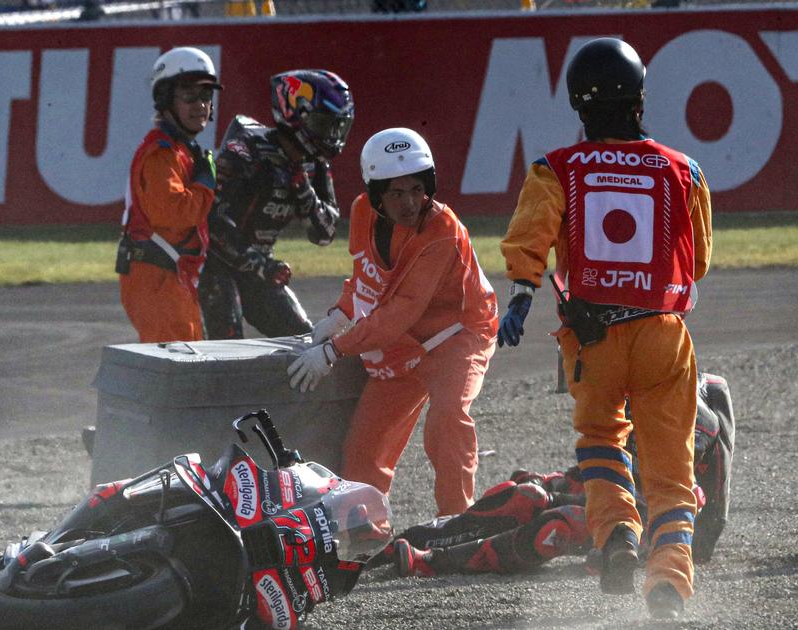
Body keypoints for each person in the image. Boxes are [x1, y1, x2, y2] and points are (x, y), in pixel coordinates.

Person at [496, 37, 713, 619]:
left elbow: (530, 238)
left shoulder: (556, 168)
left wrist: (521, 295)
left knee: (600, 442)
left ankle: (616, 530)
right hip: (663, 335)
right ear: (640, 98)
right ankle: (668, 580)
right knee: (672, 471)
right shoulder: (684, 170)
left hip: (591, 336)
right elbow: (699, 262)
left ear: (577, 105)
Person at [286, 128, 498, 517]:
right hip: (404, 340)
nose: (409, 202)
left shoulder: (442, 232)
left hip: (459, 335)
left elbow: (401, 311)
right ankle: (366, 535)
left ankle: (455, 523)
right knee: (365, 449)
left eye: (417, 189)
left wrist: (334, 349)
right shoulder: (363, 212)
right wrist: (340, 313)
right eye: (396, 192)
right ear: (376, 192)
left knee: (447, 421)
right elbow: (365, 277)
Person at [386, 371, 735, 579]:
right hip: (617, 491)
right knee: (526, 496)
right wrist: (551, 488)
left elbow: (700, 537)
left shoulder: (701, 428)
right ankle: (405, 542)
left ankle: (434, 562)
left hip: (655, 524)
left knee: (559, 524)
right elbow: (599, 469)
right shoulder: (625, 391)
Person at [198, 69, 352, 340]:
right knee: (226, 346)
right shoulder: (248, 147)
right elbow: (211, 220)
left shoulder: (314, 165)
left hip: (259, 269)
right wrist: (260, 264)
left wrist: (303, 189)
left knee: (303, 340)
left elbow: (325, 233)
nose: (331, 135)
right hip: (214, 266)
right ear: (295, 115)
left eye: (336, 126)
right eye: (323, 124)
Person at [116, 46, 220, 343]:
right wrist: (205, 183)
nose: (200, 105)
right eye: (189, 95)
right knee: (177, 372)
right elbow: (174, 215)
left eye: (206, 95)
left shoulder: (180, 151)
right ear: (164, 100)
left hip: (170, 276)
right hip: (157, 278)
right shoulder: (161, 154)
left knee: (185, 367)